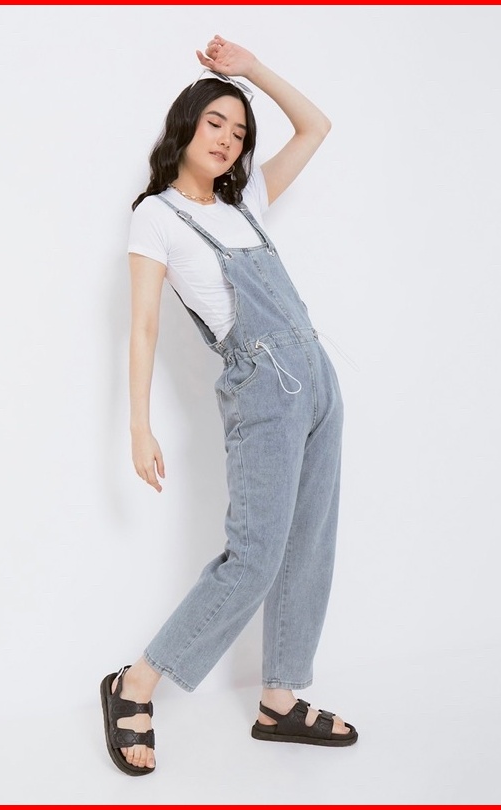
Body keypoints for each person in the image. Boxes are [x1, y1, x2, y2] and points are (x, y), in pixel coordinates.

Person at [100, 34, 357, 777]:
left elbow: (316, 126)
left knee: (309, 544)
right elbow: (143, 327)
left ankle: (280, 698)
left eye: (239, 132)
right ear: (185, 126)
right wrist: (139, 425)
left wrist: (251, 71)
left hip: (318, 380)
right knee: (254, 557)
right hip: (261, 387)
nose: (226, 139)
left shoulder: (248, 204)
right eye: (215, 122)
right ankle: (135, 684)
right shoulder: (156, 216)